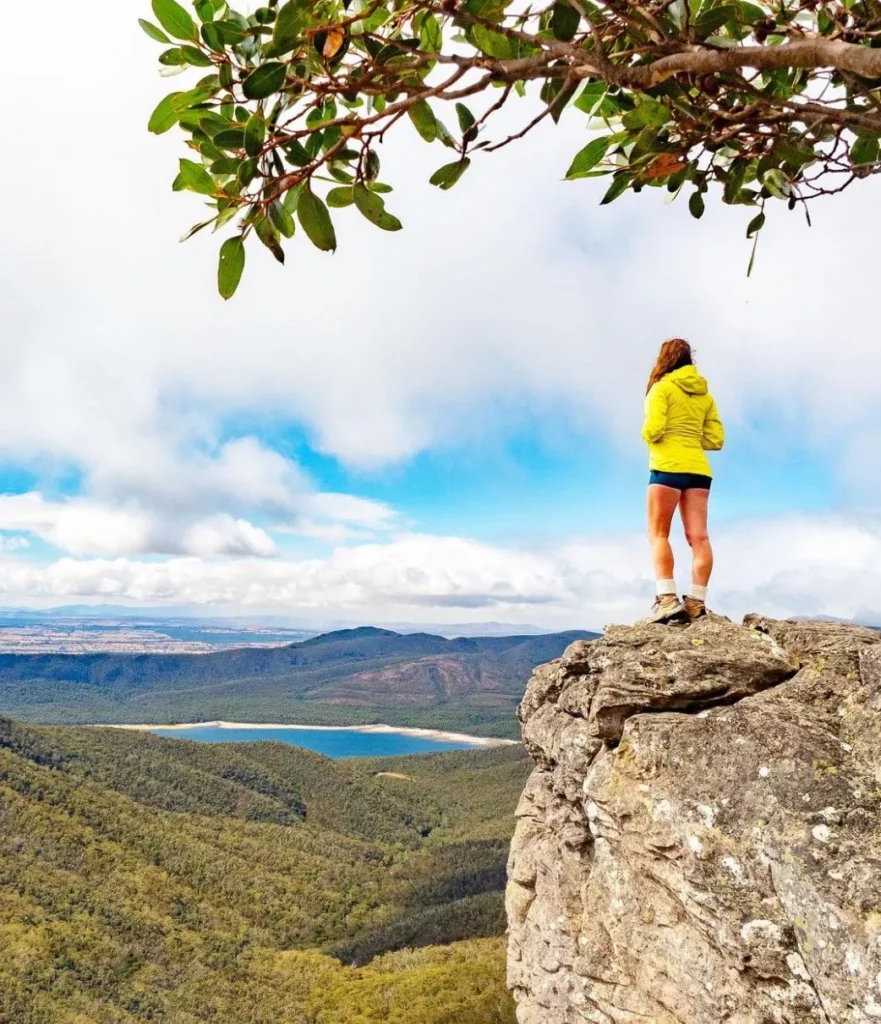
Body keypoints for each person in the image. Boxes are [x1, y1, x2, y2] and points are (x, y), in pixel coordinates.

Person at [642, 338, 724, 624]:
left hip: (667, 468)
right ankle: (696, 602)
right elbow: (715, 439)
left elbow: (653, 430)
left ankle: (666, 599)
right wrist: (689, 438)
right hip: (699, 471)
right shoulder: (706, 397)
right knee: (699, 537)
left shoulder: (661, 388)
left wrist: (660, 438)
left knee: (658, 534)